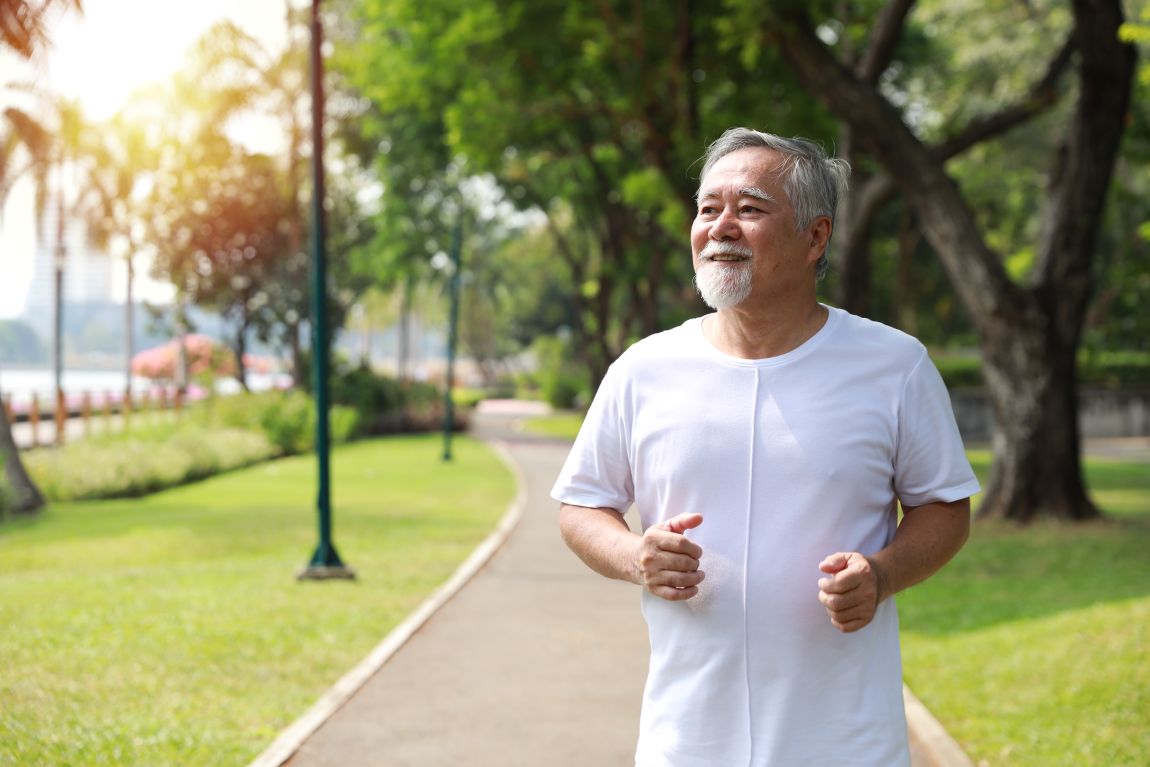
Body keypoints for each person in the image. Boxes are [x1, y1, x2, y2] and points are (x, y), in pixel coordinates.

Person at [551, 127, 979, 767]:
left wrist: (882, 573)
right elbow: (583, 506)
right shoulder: (644, 369)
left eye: (749, 208)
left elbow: (944, 507)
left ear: (816, 237)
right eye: (707, 208)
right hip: (686, 739)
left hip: (845, 740)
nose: (720, 226)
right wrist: (635, 555)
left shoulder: (893, 366)